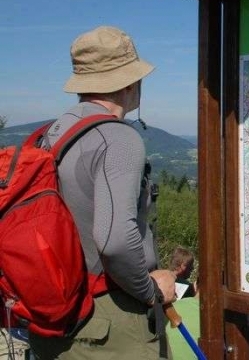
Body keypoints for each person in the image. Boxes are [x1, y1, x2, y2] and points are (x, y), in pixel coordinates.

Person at [28, 26, 177, 359]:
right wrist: (151, 290)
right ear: (128, 82)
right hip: (108, 322)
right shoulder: (118, 138)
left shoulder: (51, 133)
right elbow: (116, 240)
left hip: (54, 315)